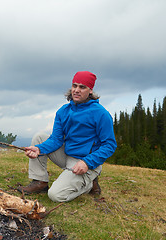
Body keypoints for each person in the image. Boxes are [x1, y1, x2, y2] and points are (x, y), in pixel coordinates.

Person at [18, 71, 117, 202]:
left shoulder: (101, 114)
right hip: (67, 155)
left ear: (91, 90)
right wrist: (39, 149)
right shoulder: (63, 111)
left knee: (55, 195)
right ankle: (40, 182)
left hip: (86, 162)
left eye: (82, 87)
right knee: (39, 137)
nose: (76, 90)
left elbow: (109, 145)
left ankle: (89, 183)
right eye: (74, 86)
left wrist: (87, 162)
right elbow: (56, 139)